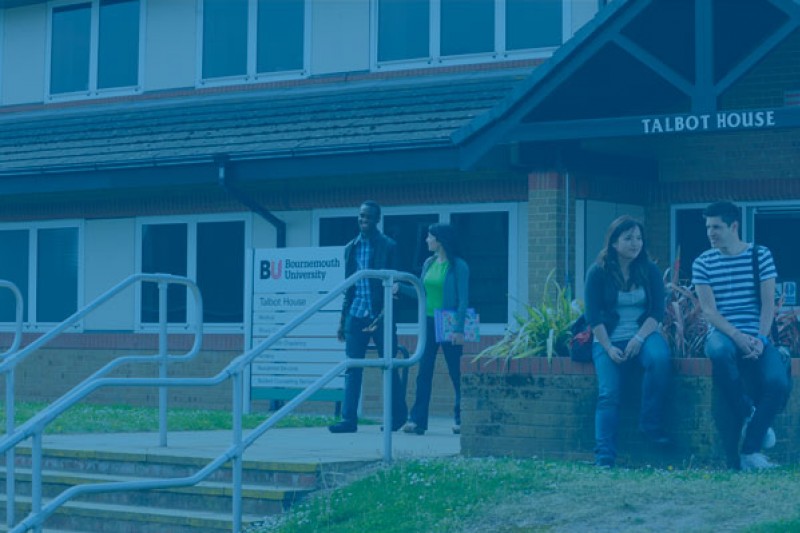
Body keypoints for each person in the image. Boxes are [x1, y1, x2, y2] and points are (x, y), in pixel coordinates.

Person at [692, 200, 790, 470]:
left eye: (717, 227)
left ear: (734, 226)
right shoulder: (703, 262)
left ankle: (750, 452)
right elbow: (709, 312)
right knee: (720, 351)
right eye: (708, 227)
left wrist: (759, 339)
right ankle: (748, 411)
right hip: (723, 333)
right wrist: (736, 336)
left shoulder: (760, 255)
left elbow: (768, 304)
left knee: (778, 383)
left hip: (757, 333)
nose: (711, 233)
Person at [585, 215, 672, 468]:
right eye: (628, 238)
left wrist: (638, 338)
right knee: (608, 393)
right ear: (613, 242)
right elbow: (593, 316)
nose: (635, 243)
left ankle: (650, 423)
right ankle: (604, 457)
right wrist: (609, 347)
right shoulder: (597, 272)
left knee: (659, 359)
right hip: (607, 338)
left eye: (638, 238)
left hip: (643, 333)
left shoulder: (650, 269)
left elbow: (657, 311)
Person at [328, 201, 408, 433]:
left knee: (389, 365)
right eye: (361, 216)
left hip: (381, 314)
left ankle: (397, 417)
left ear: (377, 219)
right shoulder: (350, 248)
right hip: (356, 313)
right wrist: (342, 321)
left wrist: (383, 316)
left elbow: (395, 285)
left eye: (369, 217)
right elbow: (349, 288)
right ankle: (348, 420)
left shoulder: (388, 246)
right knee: (352, 367)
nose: (364, 220)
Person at [400, 223, 468, 436]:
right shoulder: (428, 263)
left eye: (429, 237)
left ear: (439, 240)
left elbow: (464, 300)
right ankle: (417, 421)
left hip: (448, 321)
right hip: (428, 321)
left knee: (455, 372)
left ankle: (461, 418)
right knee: (423, 372)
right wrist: (400, 287)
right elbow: (421, 292)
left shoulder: (459, 266)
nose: (426, 240)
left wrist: (458, 329)